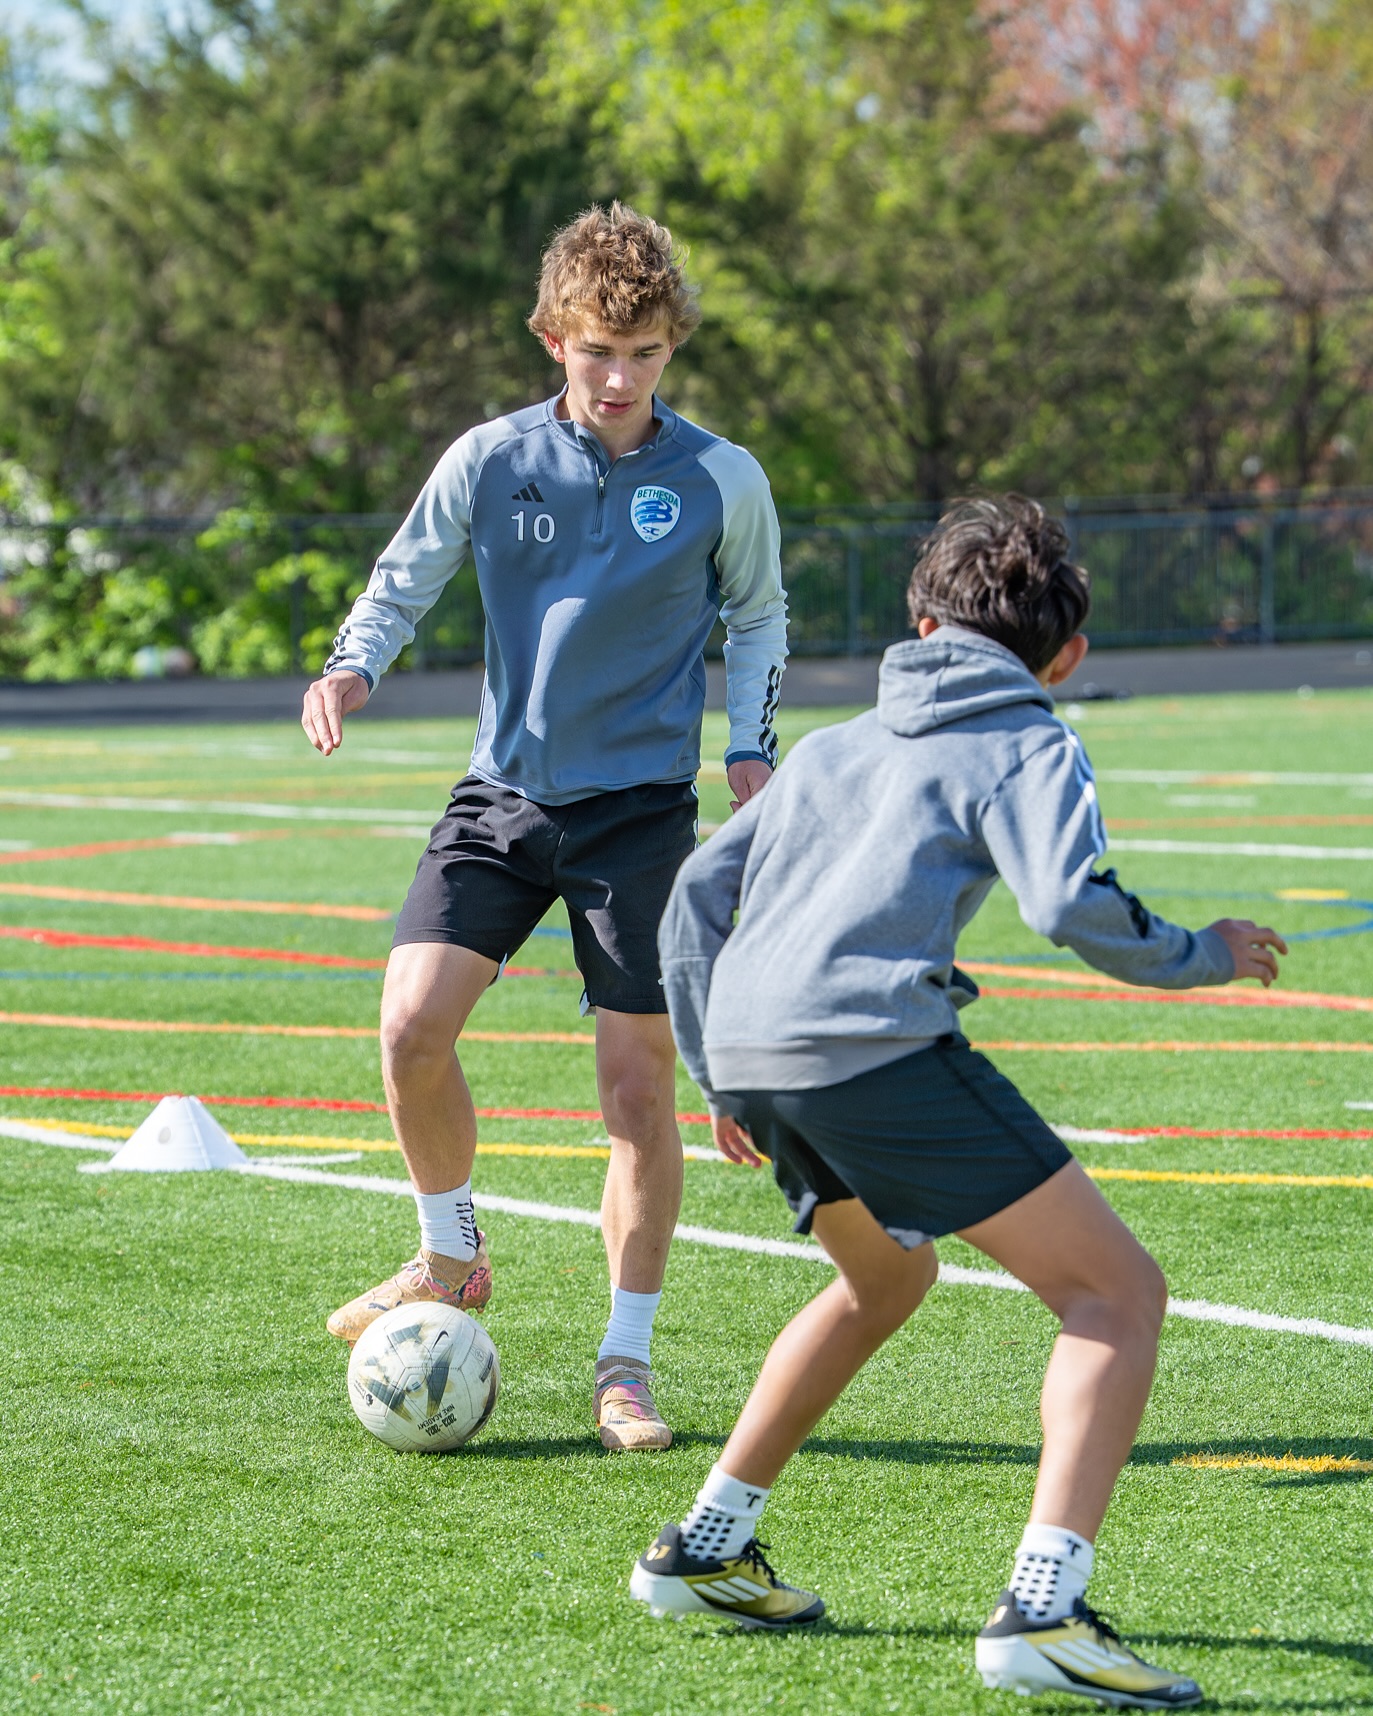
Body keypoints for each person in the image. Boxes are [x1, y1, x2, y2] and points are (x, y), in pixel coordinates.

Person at [630, 496, 1286, 1706]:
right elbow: (1067, 906)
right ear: (1067, 657)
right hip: (868, 1050)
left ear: (920, 621)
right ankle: (1040, 1612)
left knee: (884, 1277)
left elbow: (691, 905)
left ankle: (702, 1550)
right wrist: (1203, 950)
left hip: (758, 1050)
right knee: (1115, 1294)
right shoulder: (1031, 738)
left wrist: (718, 1067)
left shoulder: (830, 745)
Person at [300, 202, 788, 1452]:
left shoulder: (720, 478)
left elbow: (759, 616)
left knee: (635, 1096)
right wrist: (352, 665)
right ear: (550, 339)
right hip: (499, 794)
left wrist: (747, 744)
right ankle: (449, 1257)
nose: (619, 378)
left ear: (671, 347)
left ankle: (622, 1363)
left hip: (635, 817)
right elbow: (405, 573)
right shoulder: (488, 457)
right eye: (595, 353)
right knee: (409, 1029)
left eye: (644, 355)